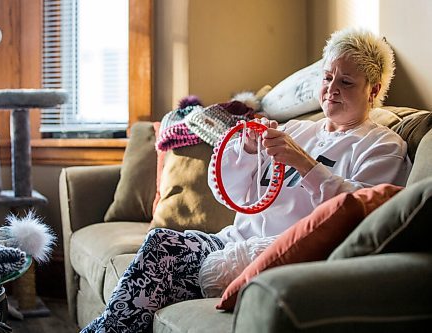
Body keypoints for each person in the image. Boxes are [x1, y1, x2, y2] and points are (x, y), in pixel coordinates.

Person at [81, 27, 412, 333]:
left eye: (347, 82)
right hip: (232, 240)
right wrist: (248, 151)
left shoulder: (382, 146)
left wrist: (304, 163)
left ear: (374, 91)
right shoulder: (296, 129)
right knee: (159, 248)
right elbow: (233, 194)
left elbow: (361, 210)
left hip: (271, 256)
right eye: (328, 77)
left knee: (161, 252)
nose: (332, 89)